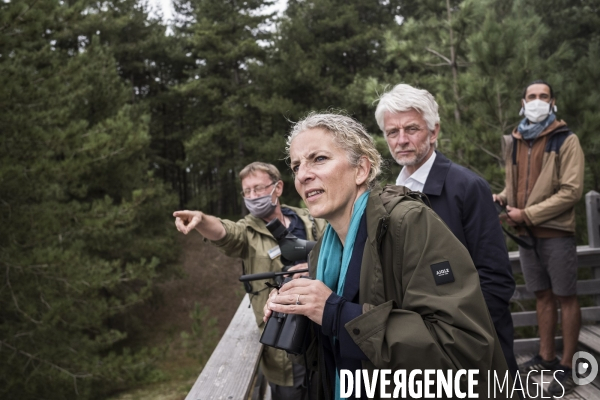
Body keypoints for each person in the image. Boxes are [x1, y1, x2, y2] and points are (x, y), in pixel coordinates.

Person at [263, 112, 515, 399]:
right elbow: (329, 357)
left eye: (319, 159)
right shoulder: (322, 252)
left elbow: (460, 346)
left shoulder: (409, 223)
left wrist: (335, 312)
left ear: (361, 170)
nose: (303, 174)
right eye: (296, 166)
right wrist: (299, 314)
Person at [374, 83, 519, 384]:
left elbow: (496, 278)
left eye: (411, 129)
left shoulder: (467, 187)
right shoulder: (386, 197)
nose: (401, 140)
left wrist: (466, 341)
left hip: (472, 347)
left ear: (434, 131)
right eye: (392, 132)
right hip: (416, 350)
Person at [174, 162, 327, 400]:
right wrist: (201, 220)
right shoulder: (248, 231)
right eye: (247, 191)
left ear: (277, 188)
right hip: (284, 346)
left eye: (258, 188)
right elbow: (225, 232)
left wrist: (311, 269)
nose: (253, 196)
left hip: (324, 334)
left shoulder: (309, 218)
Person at [493, 80, 584, 396]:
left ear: (553, 102)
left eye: (543, 96)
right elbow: (515, 184)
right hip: (526, 233)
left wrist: (528, 214)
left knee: (566, 297)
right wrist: (502, 197)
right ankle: (546, 358)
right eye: (531, 96)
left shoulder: (566, 139)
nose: (536, 101)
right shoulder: (516, 139)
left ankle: (569, 366)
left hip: (556, 232)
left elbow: (572, 191)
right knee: (542, 295)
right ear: (522, 102)